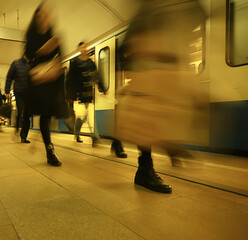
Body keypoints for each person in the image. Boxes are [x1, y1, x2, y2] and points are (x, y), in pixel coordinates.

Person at [117, 0, 206, 193]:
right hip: (150, 68)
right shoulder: (149, 6)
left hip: (166, 70)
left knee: (158, 115)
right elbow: (128, 42)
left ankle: (164, 150)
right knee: (147, 118)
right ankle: (146, 167)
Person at [66, 42, 127, 158]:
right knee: (86, 115)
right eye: (83, 47)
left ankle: (78, 133)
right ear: (79, 49)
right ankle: (94, 137)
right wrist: (70, 96)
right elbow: (70, 80)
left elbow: (97, 76)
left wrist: (103, 88)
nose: (85, 49)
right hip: (79, 94)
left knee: (85, 115)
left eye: (86, 47)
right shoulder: (74, 63)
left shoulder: (90, 63)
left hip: (88, 94)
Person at [25, 2, 67, 166]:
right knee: (44, 115)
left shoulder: (54, 36)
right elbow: (28, 56)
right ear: (37, 18)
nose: (45, 18)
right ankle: (50, 150)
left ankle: (50, 149)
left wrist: (57, 66)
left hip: (52, 81)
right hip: (39, 82)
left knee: (47, 115)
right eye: (42, 15)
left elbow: (61, 57)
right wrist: (43, 50)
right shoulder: (31, 36)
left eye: (48, 15)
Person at [5, 54, 31, 143]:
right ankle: (17, 128)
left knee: (27, 114)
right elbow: (9, 77)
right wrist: (7, 90)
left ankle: (24, 136)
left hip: (29, 92)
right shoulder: (16, 63)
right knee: (21, 111)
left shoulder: (33, 63)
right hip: (19, 91)